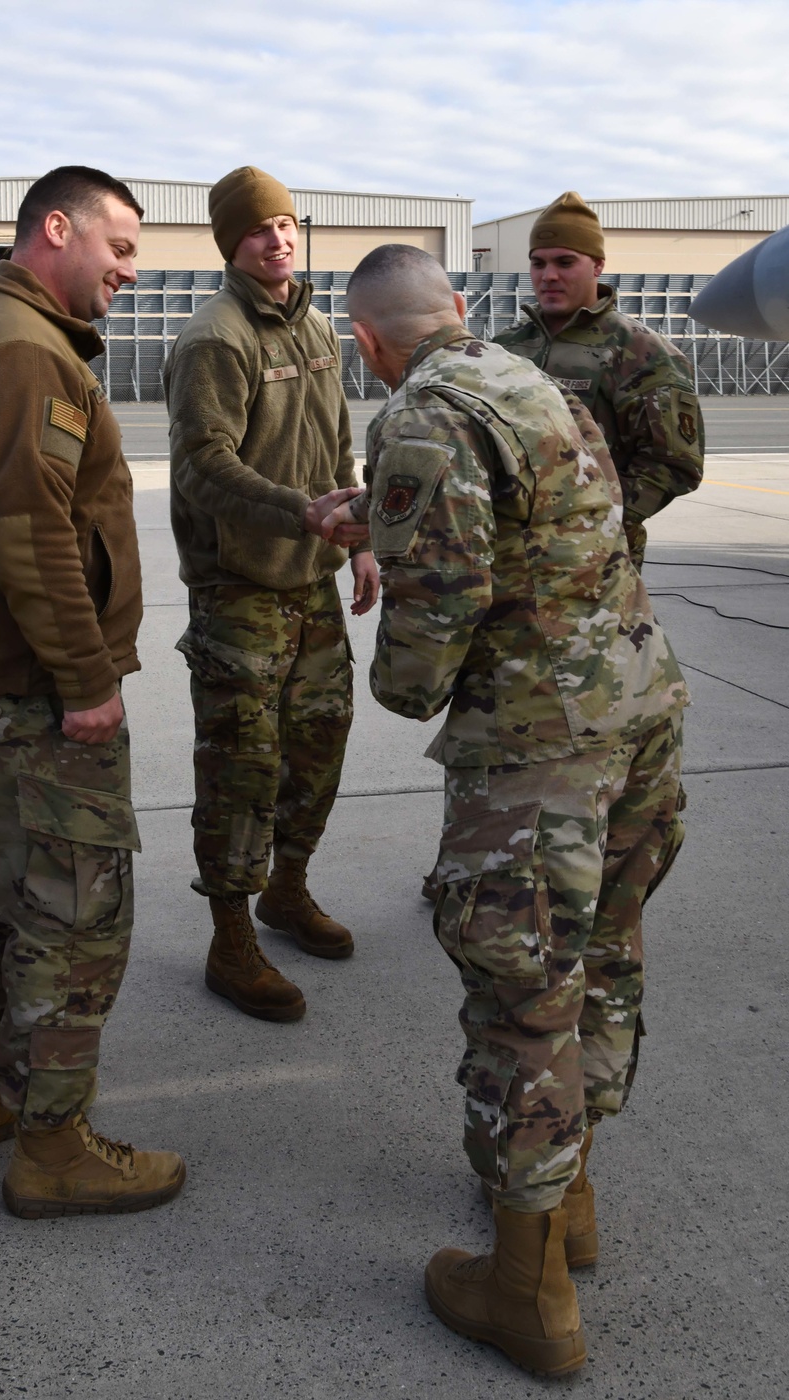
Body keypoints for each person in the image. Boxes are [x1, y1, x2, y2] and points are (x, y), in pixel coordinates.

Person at [322, 244, 688, 1374]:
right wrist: (384, 516)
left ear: (366, 342)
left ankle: (525, 1293)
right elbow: (535, 531)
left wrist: (390, 683)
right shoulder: (536, 383)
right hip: (637, 714)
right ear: (462, 309)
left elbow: (431, 636)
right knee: (600, 955)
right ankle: (568, 1200)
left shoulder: (422, 416)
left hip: (538, 758)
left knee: (520, 998)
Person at [0, 166, 185, 1219]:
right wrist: (85, 681)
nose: (129, 270)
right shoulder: (27, 353)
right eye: (118, 248)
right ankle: (54, 1143)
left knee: (14, 893)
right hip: (29, 689)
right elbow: (29, 534)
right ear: (57, 229)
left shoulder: (6, 331)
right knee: (76, 914)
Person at [163, 165, 377, 1024]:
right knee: (241, 771)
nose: (278, 239)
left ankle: (287, 893)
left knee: (319, 747)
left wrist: (357, 539)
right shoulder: (216, 337)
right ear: (231, 243)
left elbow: (334, 438)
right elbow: (202, 467)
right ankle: (230, 938)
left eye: (287, 223)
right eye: (259, 229)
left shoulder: (317, 325)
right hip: (240, 590)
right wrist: (302, 512)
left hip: (315, 578)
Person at [495, 190, 704, 571]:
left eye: (565, 261)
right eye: (538, 263)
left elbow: (674, 465)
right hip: (504, 554)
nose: (549, 275)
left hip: (592, 561)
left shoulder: (642, 352)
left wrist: (596, 517)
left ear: (597, 266)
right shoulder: (504, 347)